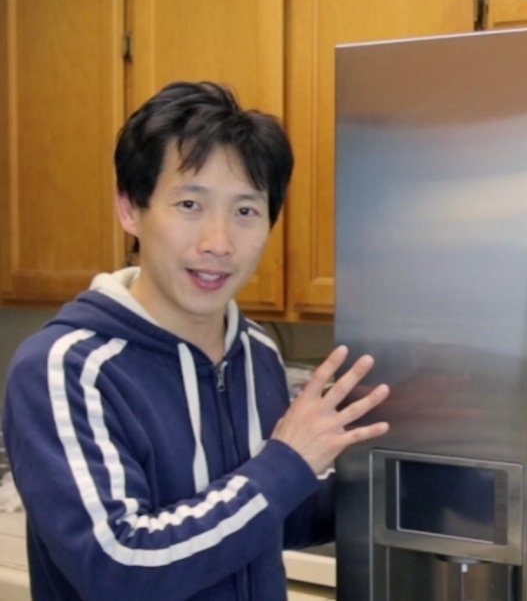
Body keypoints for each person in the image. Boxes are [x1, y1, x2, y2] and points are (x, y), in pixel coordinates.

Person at [2, 81, 390, 601]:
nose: (218, 243)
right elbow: (118, 568)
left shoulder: (255, 352)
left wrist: (405, 470)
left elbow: (271, 517)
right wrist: (288, 462)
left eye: (245, 211)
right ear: (130, 209)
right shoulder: (65, 369)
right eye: (190, 204)